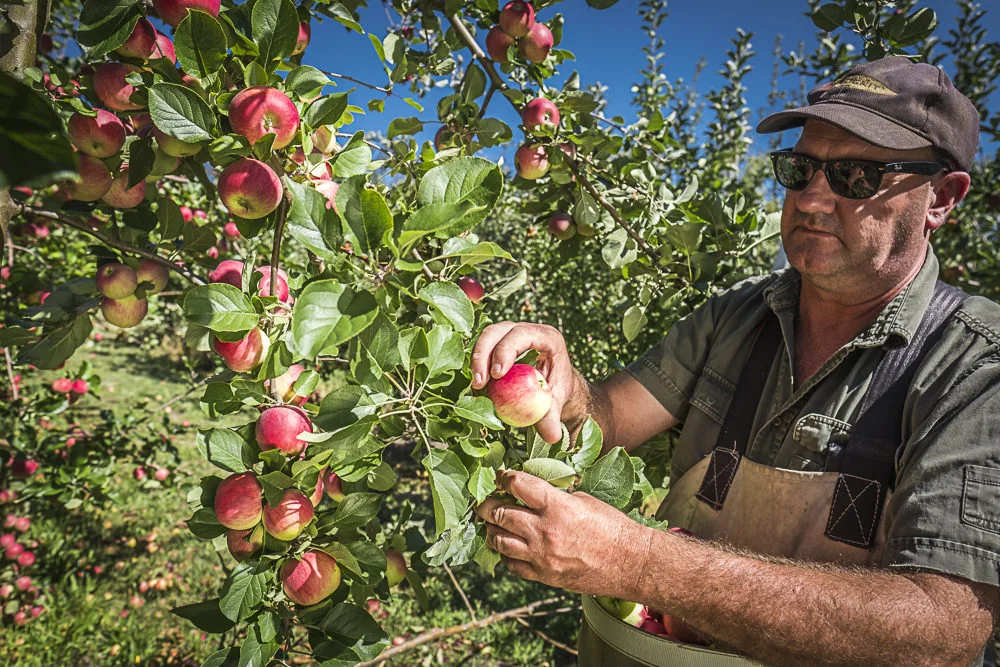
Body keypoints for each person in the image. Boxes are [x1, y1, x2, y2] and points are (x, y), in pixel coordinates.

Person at [472, 56, 1000, 665]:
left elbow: (942, 631)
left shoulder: (972, 367)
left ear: (941, 197)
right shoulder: (736, 317)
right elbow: (605, 421)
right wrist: (560, 389)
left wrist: (640, 563)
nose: (812, 200)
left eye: (856, 176)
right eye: (800, 170)